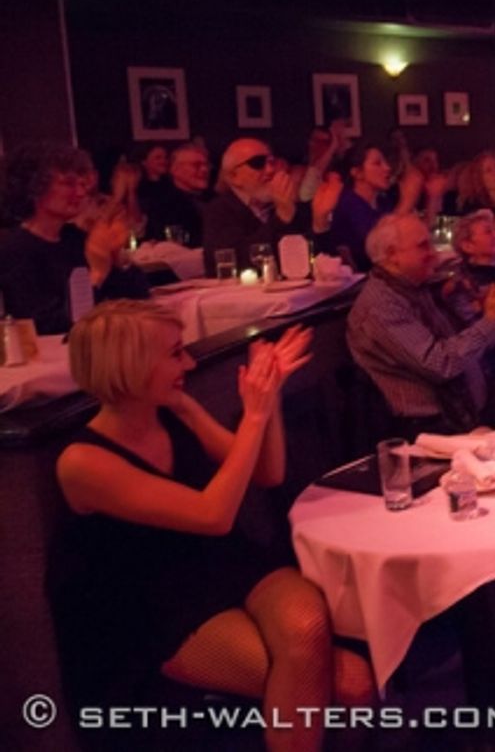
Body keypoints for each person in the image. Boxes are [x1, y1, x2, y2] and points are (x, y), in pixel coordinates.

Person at [49, 301, 374, 743]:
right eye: (174, 353)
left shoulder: (177, 409)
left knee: (342, 669)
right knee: (347, 684)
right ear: (130, 364)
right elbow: (213, 514)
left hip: (231, 565)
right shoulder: (82, 462)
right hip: (160, 604)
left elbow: (267, 473)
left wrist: (269, 397)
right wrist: (253, 416)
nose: (189, 361)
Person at [348, 214, 495, 433]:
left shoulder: (421, 287)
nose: (434, 254)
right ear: (392, 255)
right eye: (423, 246)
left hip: (469, 413)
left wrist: (492, 314)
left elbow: (466, 341)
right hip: (430, 429)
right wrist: (491, 320)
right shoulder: (381, 305)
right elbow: (440, 364)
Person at [0, 144, 149, 334]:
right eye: (69, 184)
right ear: (35, 188)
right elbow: (48, 324)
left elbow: (138, 296)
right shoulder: (15, 250)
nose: (81, 193)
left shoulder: (75, 238)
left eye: (82, 184)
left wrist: (117, 258)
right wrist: (96, 276)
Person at [202, 138, 332, 275]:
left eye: (272, 163)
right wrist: (280, 219)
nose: (270, 170)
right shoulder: (219, 211)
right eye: (258, 163)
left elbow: (317, 262)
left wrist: (320, 223)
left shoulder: (282, 204)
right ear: (234, 176)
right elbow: (238, 263)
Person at [322, 143, 399, 270]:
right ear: (357, 173)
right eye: (377, 163)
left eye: (385, 162)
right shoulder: (347, 204)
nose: (387, 168)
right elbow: (380, 246)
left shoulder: (383, 201)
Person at [143, 143, 212, 246]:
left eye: (206, 165)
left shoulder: (218, 200)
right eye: (196, 165)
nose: (204, 169)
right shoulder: (163, 204)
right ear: (175, 170)